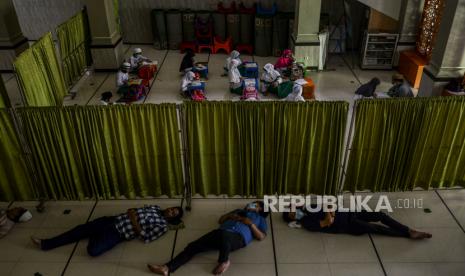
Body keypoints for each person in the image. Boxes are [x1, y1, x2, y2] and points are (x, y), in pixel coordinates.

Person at [147, 201, 269, 276]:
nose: (251, 204)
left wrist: (250, 224)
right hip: (220, 233)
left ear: (260, 209)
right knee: (192, 246)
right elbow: (220, 220)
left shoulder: (260, 219)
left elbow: (261, 237)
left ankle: (224, 261)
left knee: (225, 235)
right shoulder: (238, 211)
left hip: (238, 238)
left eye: (255, 204)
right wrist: (230, 215)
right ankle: (167, 268)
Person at [31, 205, 183, 257]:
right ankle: (46, 244)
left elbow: (146, 237)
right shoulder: (155, 207)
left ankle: (94, 233)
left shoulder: (162, 226)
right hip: (112, 219)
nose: (170, 210)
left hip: (118, 233)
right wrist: (132, 213)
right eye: (172, 208)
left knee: (93, 251)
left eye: (174, 213)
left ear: (172, 219)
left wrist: (134, 220)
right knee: (77, 231)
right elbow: (133, 209)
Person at [283, 206, 432, 239]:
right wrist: (330, 214)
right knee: (376, 228)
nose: (295, 211)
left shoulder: (310, 208)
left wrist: (330, 213)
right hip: (348, 225)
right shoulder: (308, 223)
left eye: (293, 209)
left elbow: (330, 207)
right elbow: (328, 222)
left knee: (380, 215)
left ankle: (407, 229)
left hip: (351, 213)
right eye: (293, 214)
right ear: (294, 219)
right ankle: (408, 233)